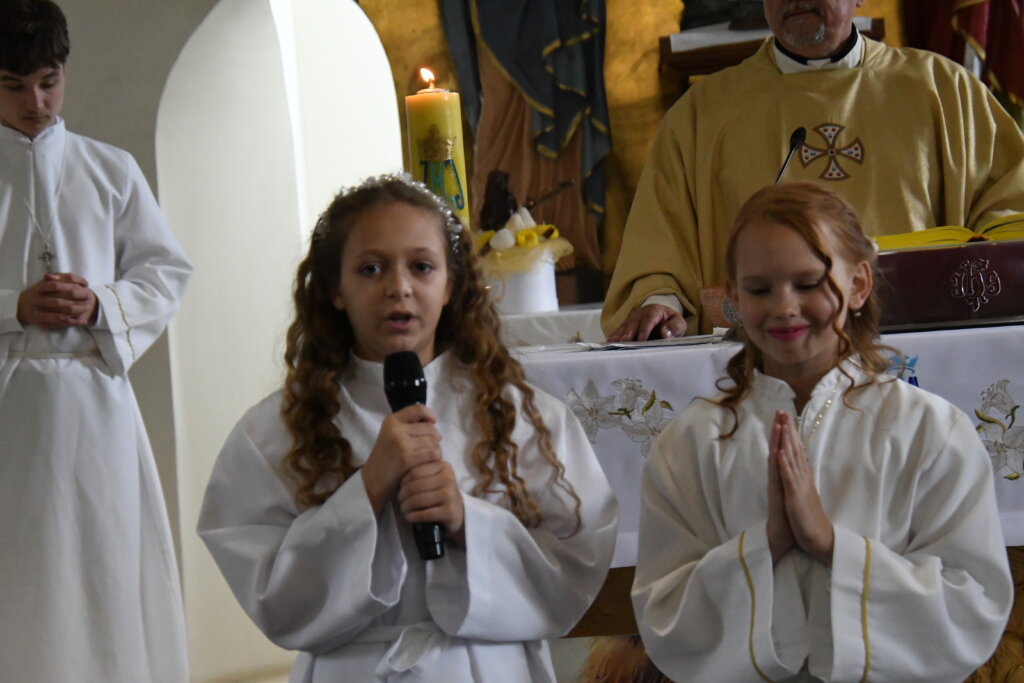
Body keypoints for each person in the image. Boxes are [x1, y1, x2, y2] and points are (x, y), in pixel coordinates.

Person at [198, 175, 618, 682]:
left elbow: (576, 562)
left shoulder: (521, 416)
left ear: (451, 285)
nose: (399, 287)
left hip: (486, 666)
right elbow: (272, 592)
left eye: (421, 267)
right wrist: (369, 489)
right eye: (371, 268)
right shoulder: (275, 431)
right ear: (334, 289)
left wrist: (467, 521)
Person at [631, 182, 1012, 682]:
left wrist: (831, 545)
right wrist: (766, 544)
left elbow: (971, 606)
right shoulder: (693, 443)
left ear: (858, 284)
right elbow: (664, 615)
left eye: (808, 283)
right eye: (759, 289)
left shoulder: (928, 432)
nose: (784, 307)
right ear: (733, 296)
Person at [602, 0, 1024, 340]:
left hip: (918, 349)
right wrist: (661, 303)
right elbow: (660, 244)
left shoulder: (945, 91)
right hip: (766, 356)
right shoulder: (702, 114)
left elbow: (1008, 212)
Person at [0, 1, 192, 680]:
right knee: (21, 577)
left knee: (102, 565)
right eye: (14, 85)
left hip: (94, 404)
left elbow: (166, 272)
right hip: (11, 409)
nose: (36, 102)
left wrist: (103, 303)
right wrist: (14, 306)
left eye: (48, 82)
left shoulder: (110, 170)